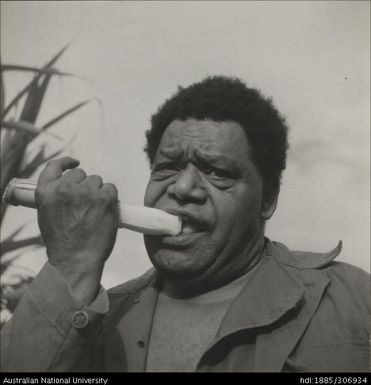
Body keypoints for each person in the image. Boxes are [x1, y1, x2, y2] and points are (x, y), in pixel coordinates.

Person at [1, 76, 369, 372]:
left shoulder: (353, 300)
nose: (182, 187)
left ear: (267, 199)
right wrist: (71, 267)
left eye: (216, 171)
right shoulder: (93, 322)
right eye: (168, 167)